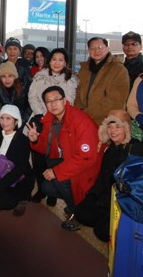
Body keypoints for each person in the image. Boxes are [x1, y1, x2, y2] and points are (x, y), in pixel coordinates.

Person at [26, 86, 102, 231]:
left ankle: (78, 213)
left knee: (58, 178)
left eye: (56, 99)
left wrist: (56, 171)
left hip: (88, 169)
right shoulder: (51, 120)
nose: (53, 104)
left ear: (64, 100)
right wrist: (35, 140)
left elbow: (86, 158)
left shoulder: (80, 121)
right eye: (48, 101)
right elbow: (47, 149)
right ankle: (74, 202)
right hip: (70, 162)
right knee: (46, 187)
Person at [73, 110, 143, 241]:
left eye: (118, 126)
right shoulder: (110, 151)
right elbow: (102, 180)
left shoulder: (138, 149)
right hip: (108, 200)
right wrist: (91, 196)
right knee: (81, 212)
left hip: (125, 204)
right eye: (109, 126)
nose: (113, 131)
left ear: (126, 128)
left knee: (101, 231)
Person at [27, 48, 80, 204]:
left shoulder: (71, 80)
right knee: (38, 158)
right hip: (40, 119)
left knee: (55, 157)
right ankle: (41, 189)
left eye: (61, 60)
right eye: (54, 59)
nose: (57, 63)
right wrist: (41, 114)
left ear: (65, 62)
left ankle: (53, 191)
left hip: (60, 122)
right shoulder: (40, 76)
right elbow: (32, 96)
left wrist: (54, 116)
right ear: (49, 61)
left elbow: (69, 100)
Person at [0, 105, 33, 216]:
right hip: (1, 173)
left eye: (8, 118)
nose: (4, 122)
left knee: (3, 202)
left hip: (18, 179)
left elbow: (19, 170)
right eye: (2, 118)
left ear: (16, 121)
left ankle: (22, 199)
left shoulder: (22, 141)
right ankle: (0, 193)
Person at [74, 37, 129, 125]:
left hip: (108, 123)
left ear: (107, 49)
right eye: (92, 48)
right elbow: (77, 93)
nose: (96, 51)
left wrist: (86, 113)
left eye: (100, 47)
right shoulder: (84, 69)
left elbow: (116, 101)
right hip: (83, 121)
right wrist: (79, 111)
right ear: (89, 51)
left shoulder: (119, 70)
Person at [0, 61, 30, 135]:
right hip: (6, 124)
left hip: (23, 124)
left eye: (10, 76)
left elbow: (29, 109)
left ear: (14, 77)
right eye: (3, 76)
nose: (7, 79)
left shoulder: (24, 88)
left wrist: (19, 124)